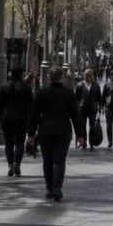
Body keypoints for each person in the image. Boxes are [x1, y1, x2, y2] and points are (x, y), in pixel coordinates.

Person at [27, 66, 86, 202]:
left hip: (45, 131)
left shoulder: (42, 93)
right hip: (63, 131)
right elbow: (75, 115)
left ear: (49, 77)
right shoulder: (68, 93)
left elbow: (34, 115)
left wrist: (30, 134)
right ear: (62, 78)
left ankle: (49, 188)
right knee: (60, 161)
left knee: (47, 160)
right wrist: (80, 134)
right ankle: (57, 187)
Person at [0, 67, 34, 175]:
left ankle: (10, 165)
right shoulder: (26, 88)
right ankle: (17, 164)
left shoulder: (4, 87)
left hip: (7, 118)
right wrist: (32, 120)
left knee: (8, 142)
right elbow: (31, 104)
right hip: (22, 118)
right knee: (20, 142)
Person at [74, 69, 102, 150]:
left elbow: (99, 98)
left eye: (89, 75)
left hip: (92, 109)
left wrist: (99, 108)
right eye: (86, 75)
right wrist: (77, 106)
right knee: (82, 126)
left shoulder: (96, 85)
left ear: (92, 76)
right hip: (82, 109)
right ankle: (84, 142)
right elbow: (76, 98)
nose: (87, 77)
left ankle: (91, 142)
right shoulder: (79, 85)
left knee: (92, 126)